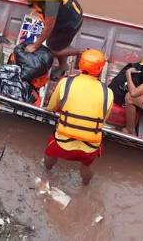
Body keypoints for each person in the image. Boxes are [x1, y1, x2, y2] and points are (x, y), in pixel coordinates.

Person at [44, 49, 112, 185]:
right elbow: (103, 119)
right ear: (100, 69)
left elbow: (51, 107)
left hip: (62, 142)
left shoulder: (65, 82)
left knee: (50, 155)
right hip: (89, 147)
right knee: (86, 167)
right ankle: (85, 185)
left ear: (80, 65)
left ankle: (47, 173)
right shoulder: (108, 92)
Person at [24, 0, 84, 80]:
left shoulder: (52, 3)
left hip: (69, 25)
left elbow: (48, 27)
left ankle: (81, 52)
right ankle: (63, 66)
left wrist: (34, 46)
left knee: (53, 49)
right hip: (70, 13)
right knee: (59, 45)